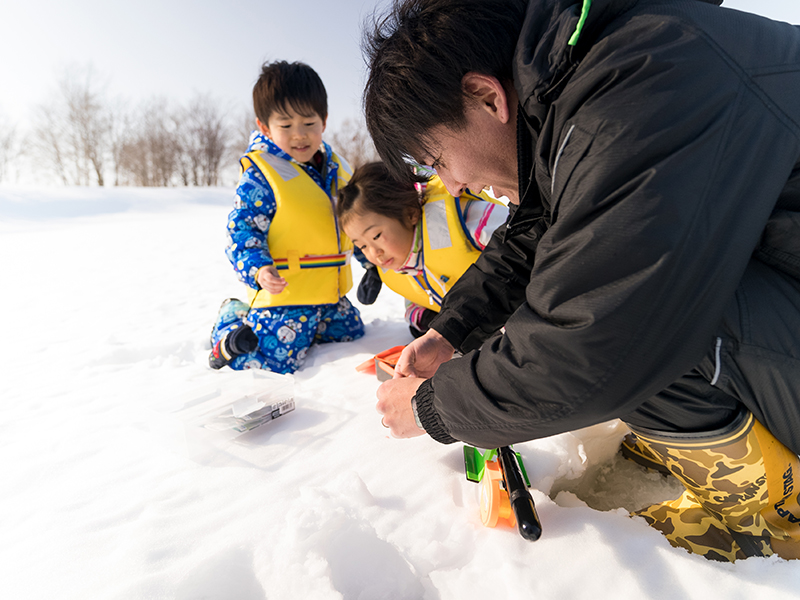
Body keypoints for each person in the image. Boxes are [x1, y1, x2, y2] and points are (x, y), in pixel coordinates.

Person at [363, 0, 800, 561]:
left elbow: (592, 335)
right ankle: (707, 436)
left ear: (486, 97)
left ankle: (771, 515)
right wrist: (453, 330)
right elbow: (542, 229)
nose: (454, 183)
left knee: (643, 314)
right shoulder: (594, 79)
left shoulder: (639, 82)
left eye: (437, 160)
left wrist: (433, 408)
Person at [209, 60, 364, 375]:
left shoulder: (336, 169)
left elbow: (355, 221)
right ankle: (231, 321)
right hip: (285, 296)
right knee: (275, 362)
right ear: (265, 127)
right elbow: (242, 230)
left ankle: (309, 327)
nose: (300, 136)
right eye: (286, 125)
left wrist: (370, 260)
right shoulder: (262, 177)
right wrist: (259, 268)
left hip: (329, 294)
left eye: (309, 123)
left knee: (353, 332)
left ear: (324, 120)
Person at [337, 161, 509, 338]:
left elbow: (527, 243)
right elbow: (416, 296)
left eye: (376, 236)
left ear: (410, 213)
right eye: (362, 246)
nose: (374, 253)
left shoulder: (466, 221)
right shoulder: (402, 265)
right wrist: (427, 318)